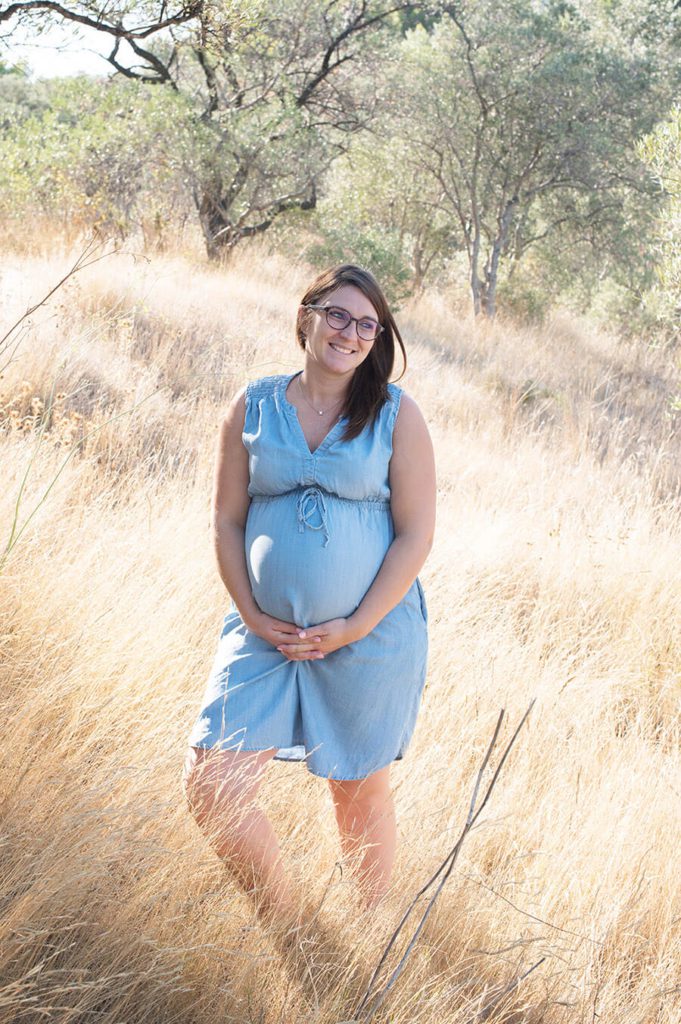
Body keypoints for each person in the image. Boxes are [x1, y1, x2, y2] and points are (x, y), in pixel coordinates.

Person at [183, 263, 436, 924]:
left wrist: (352, 625)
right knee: (212, 786)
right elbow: (227, 519)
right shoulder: (254, 405)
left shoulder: (395, 415)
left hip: (369, 637)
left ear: (377, 337)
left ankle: (368, 928)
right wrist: (251, 614)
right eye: (337, 315)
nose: (348, 333)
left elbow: (414, 536)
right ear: (306, 316)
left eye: (365, 323)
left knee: (356, 789)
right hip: (265, 636)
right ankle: (289, 924)